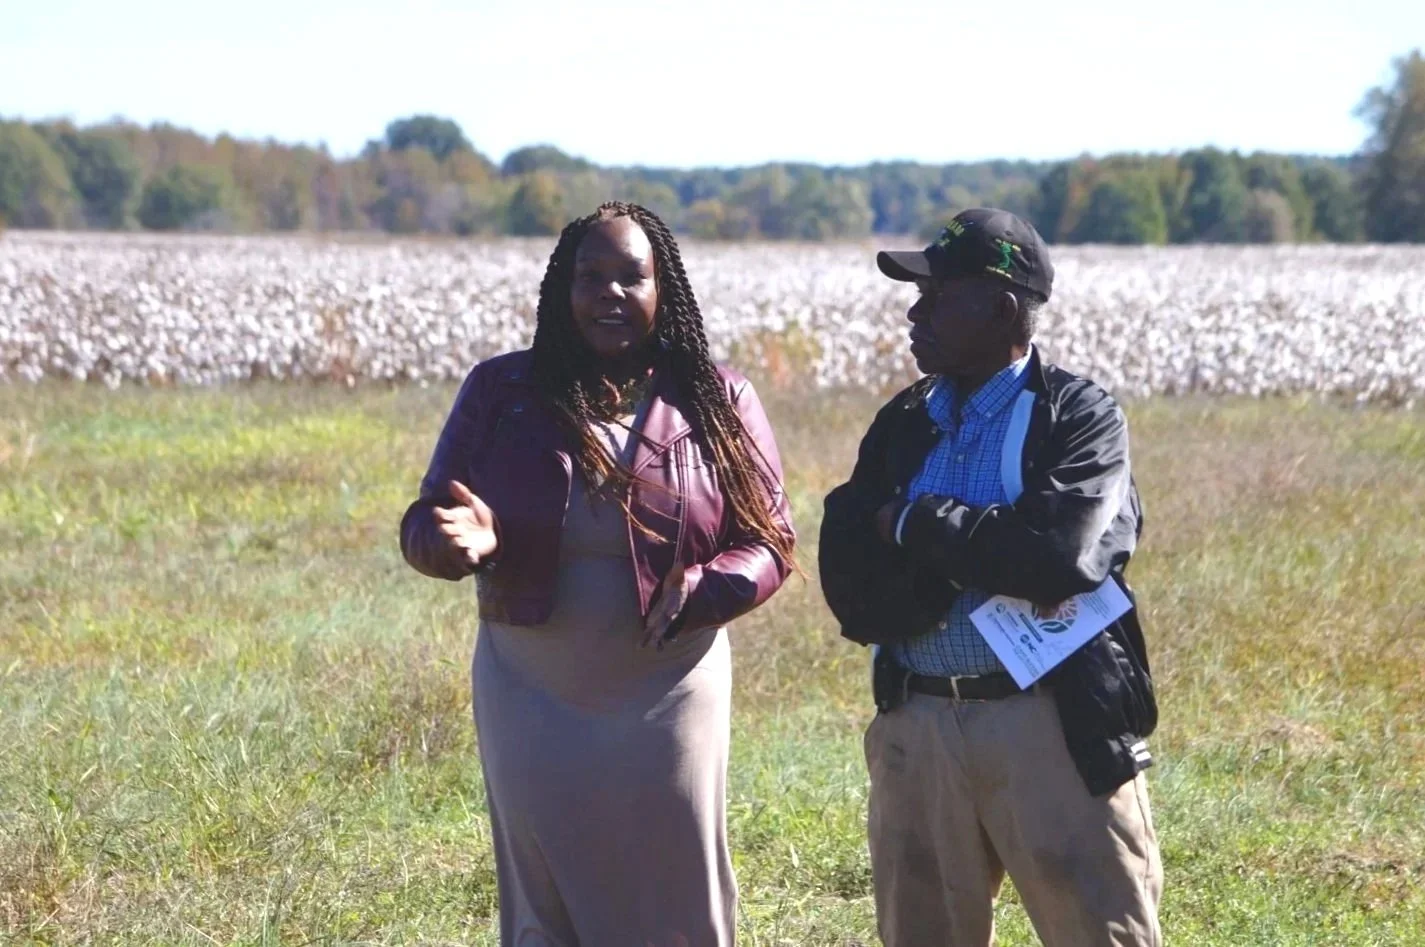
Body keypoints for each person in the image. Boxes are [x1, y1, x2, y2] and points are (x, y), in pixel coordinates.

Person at [400, 202, 796, 946]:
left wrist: (705, 585)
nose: (609, 293)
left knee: (677, 882)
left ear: (662, 290)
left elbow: (771, 539)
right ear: (562, 288)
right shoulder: (500, 390)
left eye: (630, 277)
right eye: (591, 276)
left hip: (670, 684)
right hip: (530, 687)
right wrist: (456, 542)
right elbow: (424, 519)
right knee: (546, 895)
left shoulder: (717, 397)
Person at [818, 208, 1162, 947]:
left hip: (1049, 725)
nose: (915, 312)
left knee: (1101, 932)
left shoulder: (1079, 417)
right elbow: (847, 568)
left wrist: (912, 524)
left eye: (937, 295)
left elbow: (1057, 555)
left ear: (1002, 306)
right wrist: (981, 550)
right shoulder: (902, 420)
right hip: (916, 726)